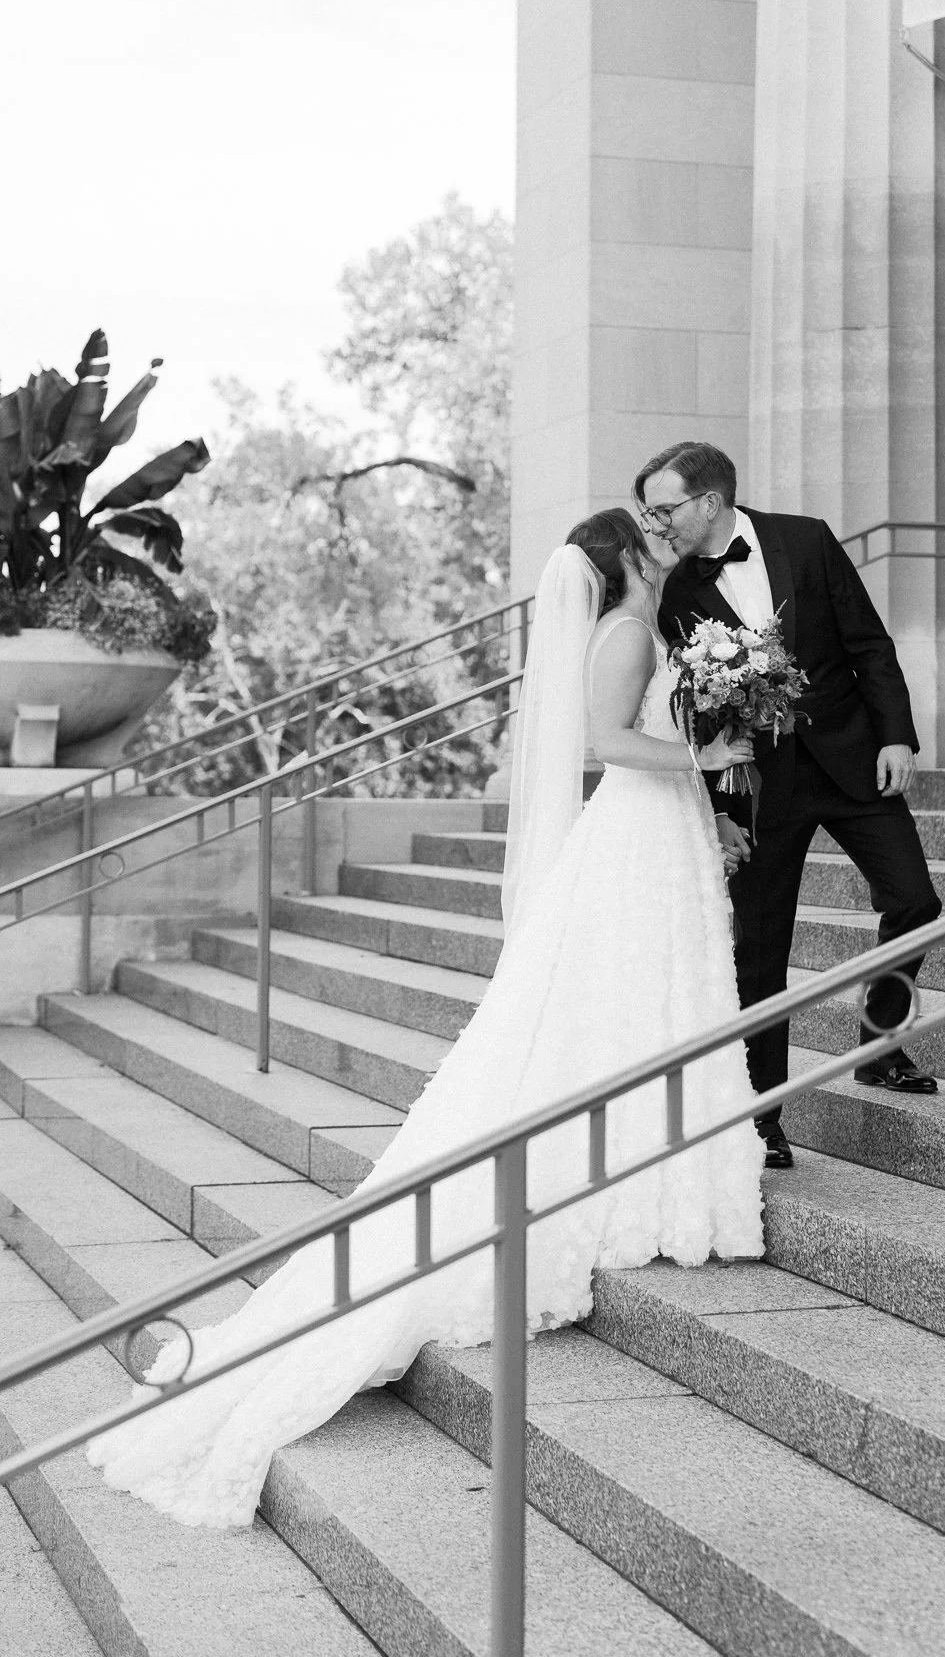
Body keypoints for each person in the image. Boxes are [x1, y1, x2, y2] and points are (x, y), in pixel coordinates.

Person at [86, 511, 764, 1528]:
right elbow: (605, 742)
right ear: (625, 556)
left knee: (652, 993)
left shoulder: (653, 622)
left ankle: (658, 1155)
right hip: (633, 828)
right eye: (652, 530)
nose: (668, 538)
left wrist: (710, 774)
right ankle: (639, 1163)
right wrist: (708, 759)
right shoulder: (625, 631)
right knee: (626, 994)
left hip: (656, 833)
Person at [639, 441, 942, 1171]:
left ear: (709, 501)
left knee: (914, 898)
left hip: (851, 758)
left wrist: (896, 737)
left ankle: (879, 1040)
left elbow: (869, 643)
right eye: (649, 511)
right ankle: (761, 1117)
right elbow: (698, 714)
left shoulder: (803, 537)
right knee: (760, 948)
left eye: (665, 508)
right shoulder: (677, 593)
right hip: (757, 785)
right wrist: (717, 810)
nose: (656, 524)